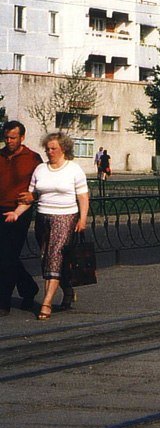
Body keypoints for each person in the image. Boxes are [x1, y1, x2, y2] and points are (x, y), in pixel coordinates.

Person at [4, 132, 89, 320]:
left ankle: (46, 303)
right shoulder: (41, 169)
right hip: (43, 217)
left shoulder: (73, 169)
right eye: (47, 149)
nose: (50, 152)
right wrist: (16, 213)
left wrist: (82, 220)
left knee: (55, 256)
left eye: (53, 149)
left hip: (65, 217)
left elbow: (83, 197)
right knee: (46, 259)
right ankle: (67, 289)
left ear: (63, 149)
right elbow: (30, 196)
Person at [0, 121, 42, 315]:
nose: (9, 141)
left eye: (13, 138)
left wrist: (34, 196)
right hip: (0, 208)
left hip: (19, 211)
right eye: (6, 137)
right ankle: (29, 288)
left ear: (22, 138)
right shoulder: (0, 156)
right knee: (6, 255)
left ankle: (4, 302)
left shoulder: (33, 158)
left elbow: (44, 184)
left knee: (7, 255)